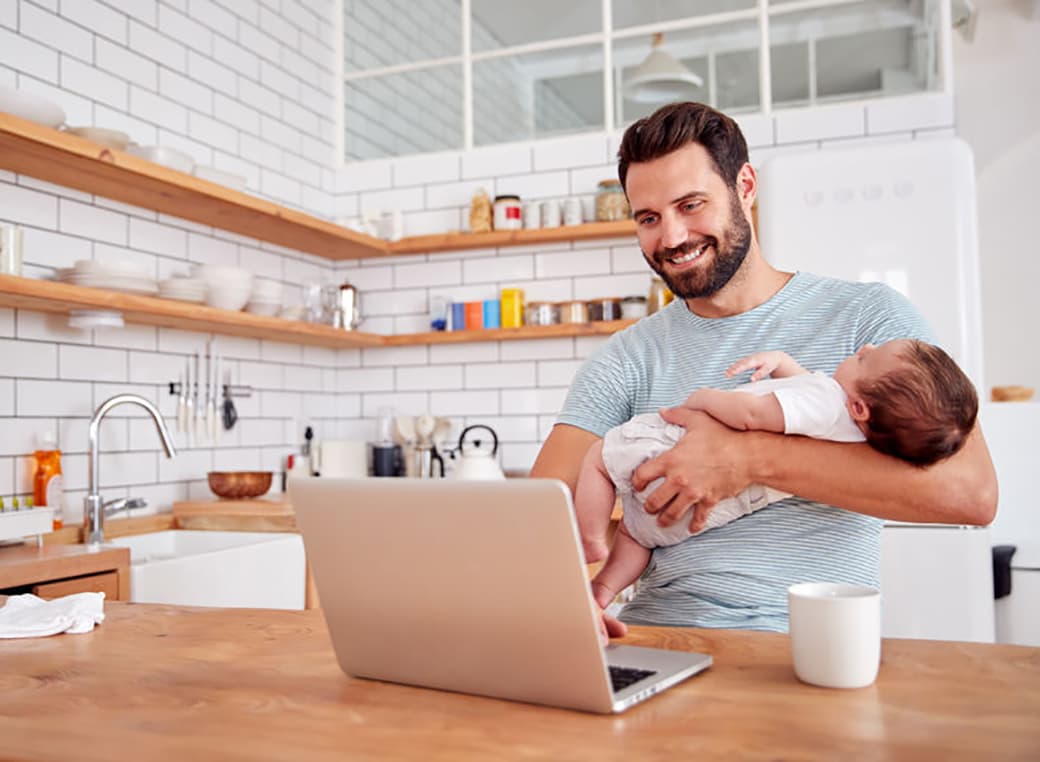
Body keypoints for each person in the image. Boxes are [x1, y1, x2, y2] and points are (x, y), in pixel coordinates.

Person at [528, 101, 997, 636]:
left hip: (812, 641)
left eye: (691, 204)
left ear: (745, 187)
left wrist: (747, 458)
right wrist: (568, 591)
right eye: (649, 218)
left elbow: (971, 494)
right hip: (658, 636)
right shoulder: (625, 357)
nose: (673, 237)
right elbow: (541, 512)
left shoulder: (870, 323)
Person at [576, 341, 979, 609]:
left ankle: (592, 540)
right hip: (707, 510)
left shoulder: (826, 399)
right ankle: (606, 588)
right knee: (636, 534)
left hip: (670, 446)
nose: (865, 346)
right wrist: (784, 364)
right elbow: (809, 399)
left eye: (865, 360)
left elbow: (755, 414)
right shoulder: (858, 437)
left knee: (598, 458)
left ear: (860, 407)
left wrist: (706, 400)